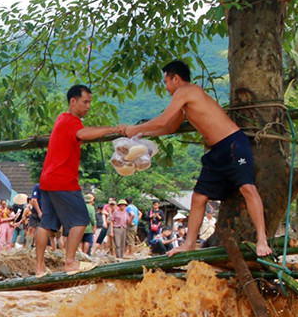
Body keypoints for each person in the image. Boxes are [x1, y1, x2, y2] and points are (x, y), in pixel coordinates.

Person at [125, 60, 272, 257]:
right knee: (198, 197)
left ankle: (262, 238)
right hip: (216, 151)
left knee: (247, 187)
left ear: (176, 79)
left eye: (166, 82)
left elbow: (163, 119)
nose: (166, 87)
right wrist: (142, 134)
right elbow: (169, 127)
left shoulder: (186, 91)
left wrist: (136, 129)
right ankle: (189, 243)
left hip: (234, 145)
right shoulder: (184, 101)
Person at [34, 85, 127, 276]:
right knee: (81, 220)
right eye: (85, 102)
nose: (88, 106)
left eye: (90, 102)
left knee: (45, 224)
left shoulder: (61, 118)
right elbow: (83, 134)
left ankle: (39, 267)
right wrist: (112, 129)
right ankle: (70, 262)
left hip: (47, 179)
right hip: (63, 180)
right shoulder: (71, 121)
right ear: (73, 101)